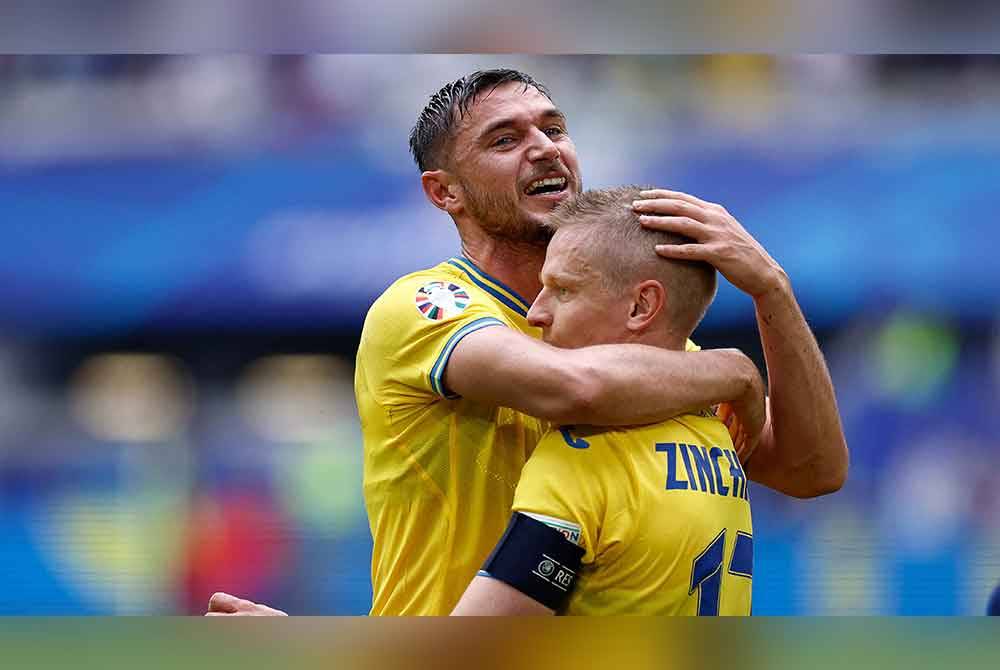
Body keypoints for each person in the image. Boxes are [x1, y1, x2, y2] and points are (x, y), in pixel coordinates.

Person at [206, 68, 847, 617]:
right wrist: (736, 372)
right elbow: (574, 388)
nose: (544, 149)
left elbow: (810, 471)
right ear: (444, 191)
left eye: (555, 128)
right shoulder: (426, 307)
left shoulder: (662, 361)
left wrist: (774, 295)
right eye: (505, 139)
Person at [452, 185, 753, 616]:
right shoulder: (717, 430)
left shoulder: (583, 453)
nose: (535, 313)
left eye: (563, 290)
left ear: (640, 307)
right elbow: (820, 470)